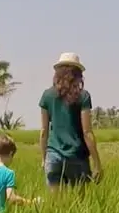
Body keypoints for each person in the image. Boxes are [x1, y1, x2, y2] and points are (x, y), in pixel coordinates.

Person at [39, 52, 103, 191]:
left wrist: (44, 158)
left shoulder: (47, 95)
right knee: (79, 207)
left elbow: (44, 131)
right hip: (77, 157)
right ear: (78, 73)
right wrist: (97, 163)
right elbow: (87, 132)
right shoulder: (83, 96)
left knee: (56, 208)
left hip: (53, 156)